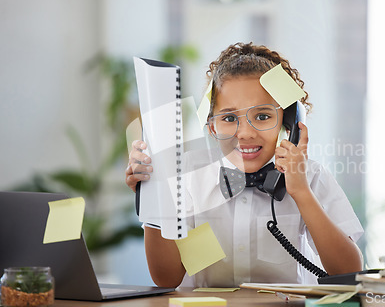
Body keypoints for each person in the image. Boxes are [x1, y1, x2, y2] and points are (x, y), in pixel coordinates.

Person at [125, 42, 364, 288]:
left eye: (262, 116)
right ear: (212, 126)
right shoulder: (187, 173)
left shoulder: (311, 177)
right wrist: (154, 196)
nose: (245, 133)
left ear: (289, 123)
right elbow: (166, 278)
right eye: (229, 118)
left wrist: (301, 192)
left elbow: (349, 272)